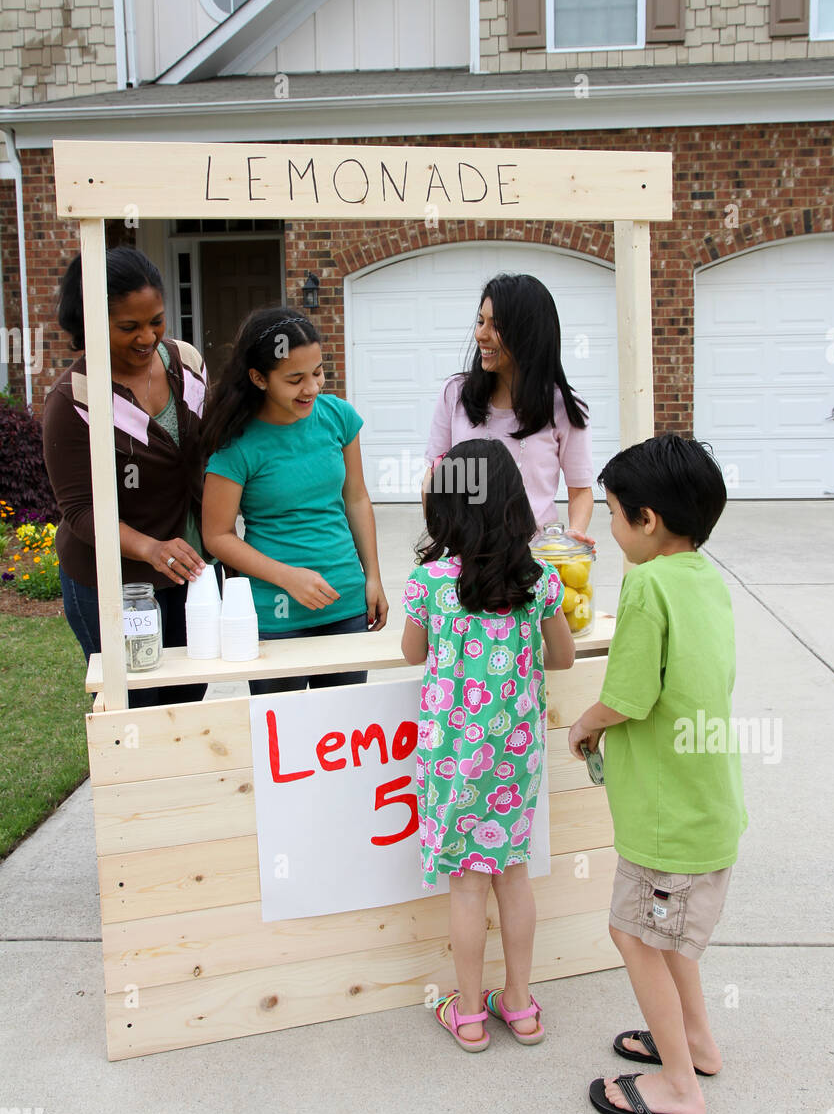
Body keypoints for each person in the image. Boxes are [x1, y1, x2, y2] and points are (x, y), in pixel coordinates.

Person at [568, 434, 748, 1114]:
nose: (610, 529)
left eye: (613, 515)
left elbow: (632, 693)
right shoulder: (704, 576)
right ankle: (696, 1042)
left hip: (668, 820)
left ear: (647, 520)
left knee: (634, 935)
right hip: (706, 805)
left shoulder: (645, 584)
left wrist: (587, 722)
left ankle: (679, 1087)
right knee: (662, 934)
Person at [401, 439, 575, 1051]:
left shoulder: (430, 583)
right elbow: (563, 656)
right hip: (515, 751)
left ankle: (469, 1014)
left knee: (468, 884)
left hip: (452, 755)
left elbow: (412, 654)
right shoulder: (539, 581)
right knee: (513, 874)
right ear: (513, 503)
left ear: (446, 508)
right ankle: (521, 1007)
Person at [42, 247, 208, 708]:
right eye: (128, 327)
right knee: (136, 707)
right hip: (114, 584)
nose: (147, 337)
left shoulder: (186, 363)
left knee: (187, 698)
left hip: (189, 571)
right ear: (92, 324)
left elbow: (210, 451)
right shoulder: (75, 399)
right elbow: (79, 511)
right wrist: (150, 548)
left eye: (156, 320)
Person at [201, 307, 387, 693]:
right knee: (283, 741)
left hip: (345, 604)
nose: (312, 388)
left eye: (317, 372)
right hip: (275, 614)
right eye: (295, 379)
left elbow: (356, 497)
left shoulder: (338, 418)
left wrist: (373, 577)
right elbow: (217, 536)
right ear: (258, 378)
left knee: (343, 738)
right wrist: (288, 578)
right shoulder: (238, 445)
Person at [425, 272, 596, 543]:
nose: (480, 334)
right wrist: (447, 539)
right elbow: (435, 479)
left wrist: (575, 535)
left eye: (496, 325)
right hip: (468, 560)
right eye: (480, 321)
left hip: (534, 561)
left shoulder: (564, 407)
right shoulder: (454, 394)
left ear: (529, 333)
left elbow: (580, 491)